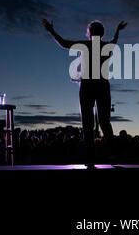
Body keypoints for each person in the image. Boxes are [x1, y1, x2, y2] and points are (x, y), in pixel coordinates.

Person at [42, 18, 127, 168]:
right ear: (101, 33)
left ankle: (91, 157)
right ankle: (112, 154)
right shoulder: (106, 46)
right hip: (102, 85)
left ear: (89, 33)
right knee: (105, 122)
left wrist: (51, 31)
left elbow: (64, 43)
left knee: (87, 123)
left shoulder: (86, 45)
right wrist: (117, 31)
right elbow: (114, 41)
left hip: (88, 85)